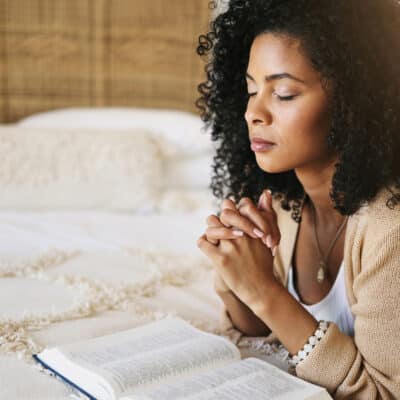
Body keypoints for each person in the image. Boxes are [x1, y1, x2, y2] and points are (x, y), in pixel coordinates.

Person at [195, 0, 400, 398]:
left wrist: (266, 293)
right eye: (251, 89)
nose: (254, 112)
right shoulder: (284, 204)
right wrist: (240, 270)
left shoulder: (389, 232)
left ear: (353, 102)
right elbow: (255, 331)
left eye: (284, 93)